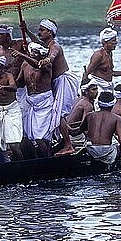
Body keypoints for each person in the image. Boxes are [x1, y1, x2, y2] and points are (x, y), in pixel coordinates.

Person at [20, 19, 79, 155]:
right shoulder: (46, 44)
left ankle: (68, 145)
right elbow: (37, 43)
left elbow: (52, 55)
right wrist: (27, 31)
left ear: (51, 32)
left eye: (42, 30)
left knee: (59, 114)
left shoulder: (55, 46)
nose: (39, 32)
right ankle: (60, 139)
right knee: (56, 113)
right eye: (39, 30)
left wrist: (47, 59)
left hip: (63, 80)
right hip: (56, 81)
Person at [16, 42, 54, 157]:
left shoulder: (46, 65)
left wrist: (23, 55)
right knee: (28, 136)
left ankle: (47, 161)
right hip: (31, 102)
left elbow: (38, 65)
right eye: (31, 51)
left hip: (44, 103)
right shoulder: (25, 65)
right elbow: (19, 82)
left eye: (35, 52)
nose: (32, 54)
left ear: (41, 54)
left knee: (40, 138)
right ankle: (38, 158)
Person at [0, 54, 24, 161]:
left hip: (11, 111)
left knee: (14, 145)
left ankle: (22, 167)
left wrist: (3, 87)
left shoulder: (8, 76)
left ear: (1, 67)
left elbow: (14, 87)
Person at [76, 92, 121, 165]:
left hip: (91, 149)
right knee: (119, 149)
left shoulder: (89, 115)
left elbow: (80, 130)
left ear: (99, 104)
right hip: (106, 151)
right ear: (112, 105)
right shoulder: (117, 118)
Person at [0, 24, 28, 122]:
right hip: (8, 90)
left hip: (23, 87)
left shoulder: (21, 44)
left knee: (24, 114)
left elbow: (39, 46)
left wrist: (27, 31)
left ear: (7, 36)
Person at [83, 28, 121, 92]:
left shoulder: (109, 54)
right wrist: (83, 90)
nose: (116, 42)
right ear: (105, 42)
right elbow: (86, 73)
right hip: (98, 87)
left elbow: (111, 73)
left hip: (108, 86)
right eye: (113, 40)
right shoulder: (99, 55)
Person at [63, 80, 98, 153]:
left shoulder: (79, 99)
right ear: (86, 92)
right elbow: (85, 126)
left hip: (67, 132)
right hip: (75, 136)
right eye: (93, 89)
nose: (96, 92)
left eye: (97, 89)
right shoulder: (88, 105)